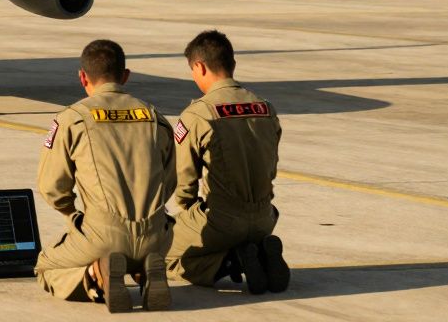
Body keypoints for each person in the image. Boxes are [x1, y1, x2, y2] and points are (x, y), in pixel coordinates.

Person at [36, 39, 176, 313]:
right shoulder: (155, 117)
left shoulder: (73, 118)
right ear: (125, 76)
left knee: (45, 267)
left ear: (82, 77)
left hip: (103, 235)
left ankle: (96, 276)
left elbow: (51, 187)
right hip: (156, 236)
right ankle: (145, 269)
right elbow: (170, 181)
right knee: (152, 247)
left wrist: (73, 216)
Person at [166, 30, 290, 294]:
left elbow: (184, 181)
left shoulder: (198, 114)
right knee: (235, 228)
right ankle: (259, 255)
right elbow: (271, 166)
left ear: (199, 67)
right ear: (232, 63)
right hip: (265, 217)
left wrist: (189, 212)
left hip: (222, 220)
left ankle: (232, 261)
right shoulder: (265, 108)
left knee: (160, 254)